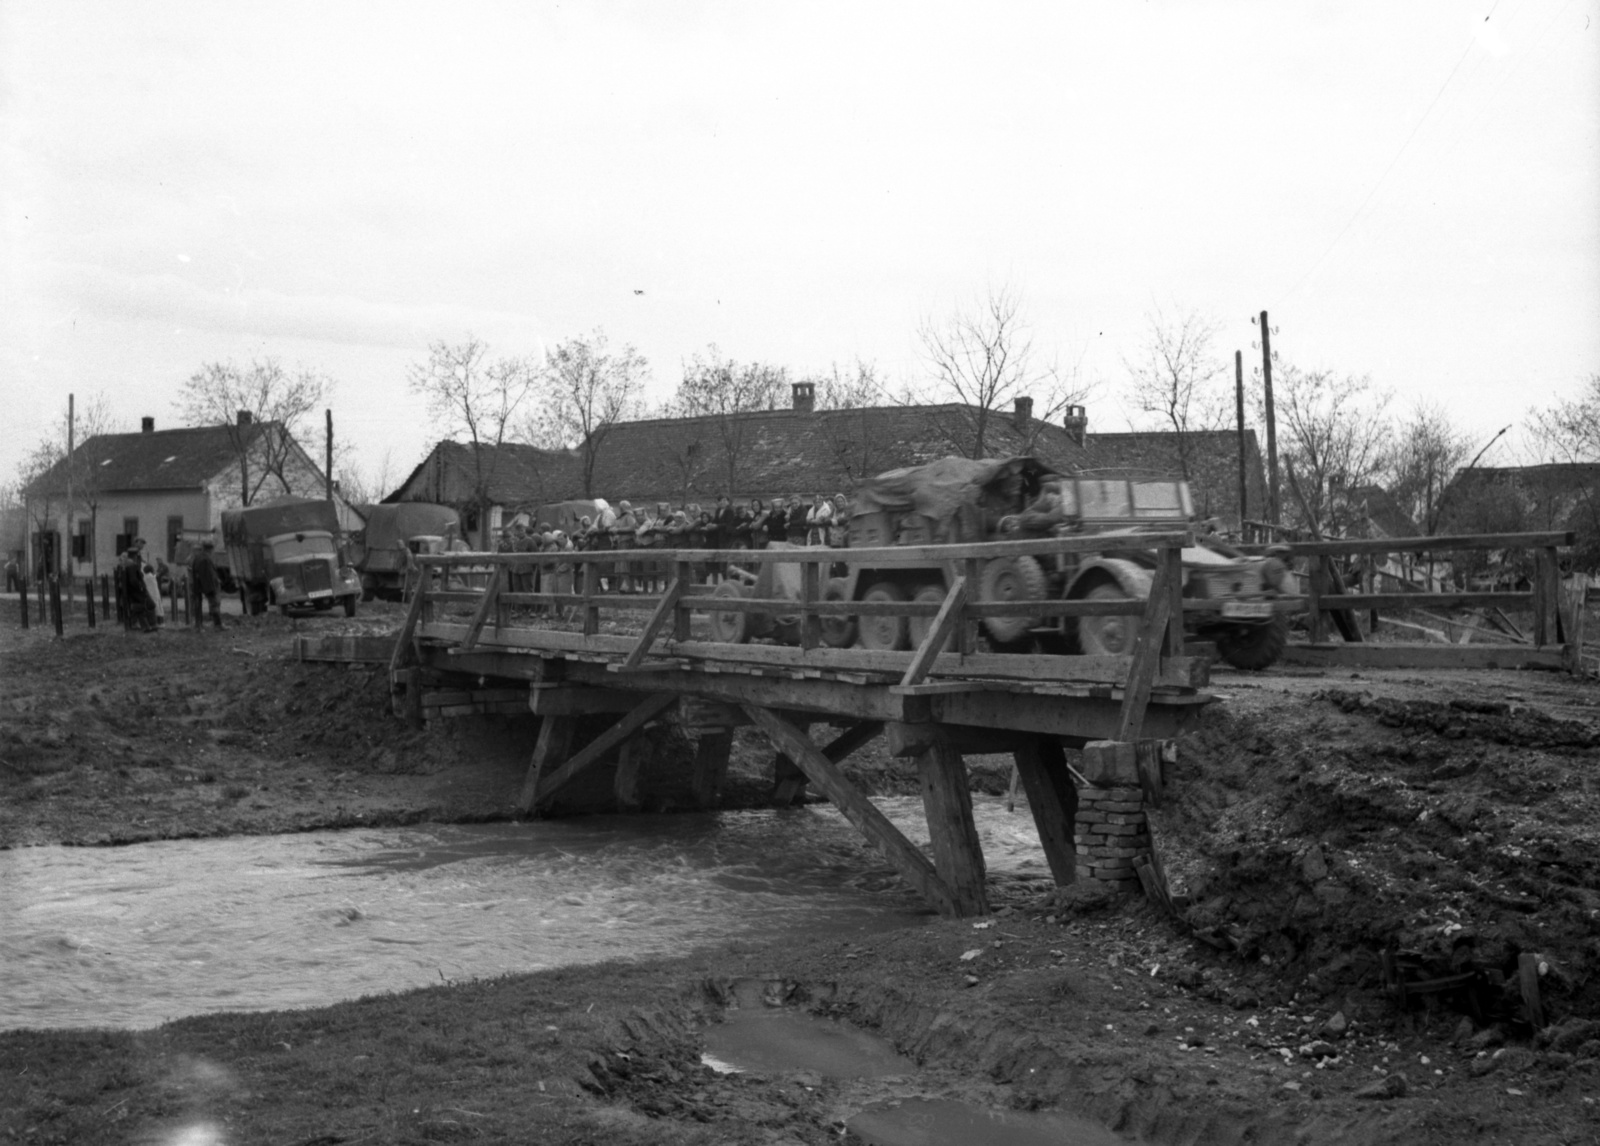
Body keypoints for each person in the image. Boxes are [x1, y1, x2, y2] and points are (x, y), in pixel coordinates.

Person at [189, 541, 224, 630]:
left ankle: (199, 624)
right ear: (210, 549)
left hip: (199, 586)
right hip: (207, 586)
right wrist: (211, 589)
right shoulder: (205, 559)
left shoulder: (198, 558)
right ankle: (218, 625)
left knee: (198, 605)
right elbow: (207, 575)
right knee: (214, 605)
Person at [122, 548, 156, 633]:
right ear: (135, 555)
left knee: (141, 608)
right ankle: (151, 625)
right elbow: (133, 580)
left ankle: (146, 627)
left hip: (131, 591)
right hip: (137, 591)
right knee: (150, 605)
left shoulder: (126, 563)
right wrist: (141, 587)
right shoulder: (132, 565)